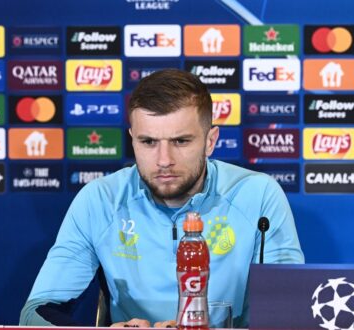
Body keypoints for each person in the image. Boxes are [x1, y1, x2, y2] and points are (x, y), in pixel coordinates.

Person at [19, 69, 304, 328]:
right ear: (132, 138)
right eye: (148, 142)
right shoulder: (100, 200)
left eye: (180, 141)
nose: (164, 160)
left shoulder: (259, 195)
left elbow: (290, 313)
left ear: (210, 141)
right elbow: (36, 313)